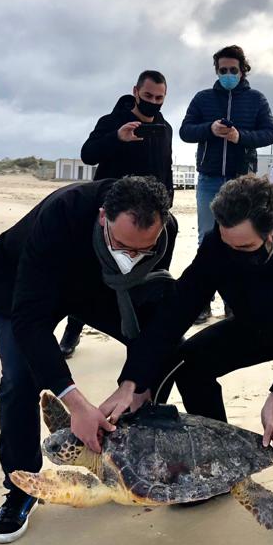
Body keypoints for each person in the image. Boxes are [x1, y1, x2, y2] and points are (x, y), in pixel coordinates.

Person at [132, 175, 273, 541]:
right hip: (262, 322)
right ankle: (220, 469)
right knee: (190, 363)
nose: (234, 253)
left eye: (245, 247)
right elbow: (177, 309)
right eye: (228, 244)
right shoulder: (219, 244)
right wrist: (136, 380)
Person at [0, 176, 174, 543]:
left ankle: (131, 464)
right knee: (20, 377)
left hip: (94, 285)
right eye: (124, 245)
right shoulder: (62, 214)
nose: (133, 256)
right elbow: (30, 321)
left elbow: (154, 311)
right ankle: (21, 487)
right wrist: (77, 404)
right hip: (19, 282)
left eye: (143, 249)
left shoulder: (163, 232)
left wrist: (134, 383)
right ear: (102, 217)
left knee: (162, 348)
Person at [57, 71, 178, 357]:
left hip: (150, 213)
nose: (153, 102)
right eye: (148, 96)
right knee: (91, 269)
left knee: (161, 252)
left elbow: (166, 168)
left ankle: (150, 325)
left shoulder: (165, 129)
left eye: (159, 98)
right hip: (110, 210)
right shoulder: (111, 121)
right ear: (136, 91)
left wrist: (167, 204)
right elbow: (88, 154)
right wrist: (117, 138)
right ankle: (73, 329)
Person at [180, 44, 273, 322]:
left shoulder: (257, 99)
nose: (227, 74)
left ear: (242, 70)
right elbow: (185, 131)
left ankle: (235, 301)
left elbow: (270, 133)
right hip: (209, 179)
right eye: (222, 70)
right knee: (207, 239)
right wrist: (209, 129)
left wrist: (240, 137)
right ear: (216, 71)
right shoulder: (203, 98)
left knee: (242, 241)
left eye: (232, 70)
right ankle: (203, 301)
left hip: (242, 181)